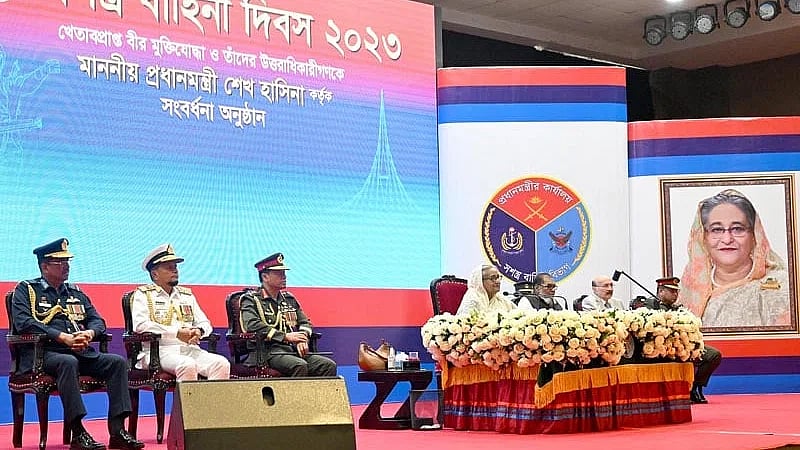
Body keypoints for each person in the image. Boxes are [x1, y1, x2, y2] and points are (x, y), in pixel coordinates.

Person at [11, 239, 144, 450]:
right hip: (44, 355)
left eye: (68, 261)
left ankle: (117, 431)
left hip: (80, 351)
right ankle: (78, 433)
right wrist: (62, 337)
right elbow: (24, 323)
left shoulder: (75, 292)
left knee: (116, 362)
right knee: (67, 362)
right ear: (45, 266)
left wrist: (89, 333)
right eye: (60, 262)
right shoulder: (27, 290)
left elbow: (97, 320)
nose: (66, 266)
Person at [679, 189, 790, 328]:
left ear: (754, 235)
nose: (727, 239)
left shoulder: (781, 288)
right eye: (717, 230)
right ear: (703, 237)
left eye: (737, 229)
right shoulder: (689, 289)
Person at [131, 244, 230, 381]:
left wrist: (199, 331)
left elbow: (205, 323)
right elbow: (141, 325)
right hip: (158, 351)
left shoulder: (186, 295)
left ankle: (210, 403)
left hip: (188, 349)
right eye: (169, 268)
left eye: (175, 267)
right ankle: (187, 403)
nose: (175, 271)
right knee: (187, 365)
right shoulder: (143, 294)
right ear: (155, 274)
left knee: (221, 364)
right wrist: (176, 333)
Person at [239, 253, 337, 377]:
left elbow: (305, 322)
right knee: (299, 365)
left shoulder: (288, 299)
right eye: (279, 274)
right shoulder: (250, 299)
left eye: (284, 273)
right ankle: (295, 397)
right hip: (266, 353)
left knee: (327, 365)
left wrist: (302, 338)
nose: (284, 277)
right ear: (265, 276)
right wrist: (285, 336)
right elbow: (251, 325)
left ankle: (319, 397)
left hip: (291, 350)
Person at [653, 277, 722, 404]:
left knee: (713, 355)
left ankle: (695, 387)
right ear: (661, 291)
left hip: (686, 345)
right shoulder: (651, 306)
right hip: (665, 347)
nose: (675, 295)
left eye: (676, 292)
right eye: (672, 292)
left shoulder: (679, 308)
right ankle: (684, 391)